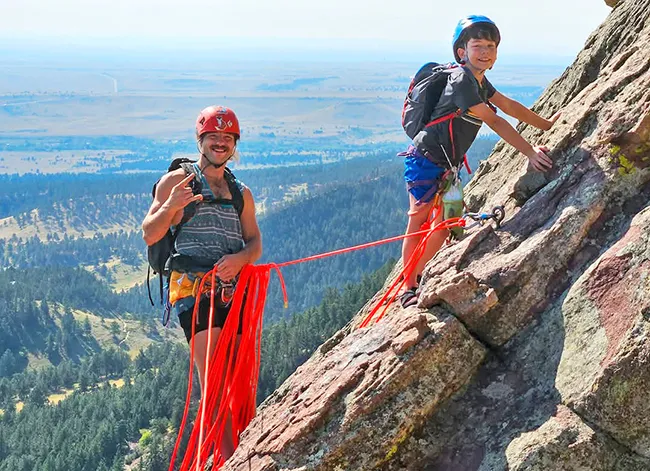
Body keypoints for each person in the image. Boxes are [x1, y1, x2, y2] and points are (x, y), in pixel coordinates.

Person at [399, 15, 561, 308]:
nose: (486, 51)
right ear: (462, 52)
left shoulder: (479, 81)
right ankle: (409, 286)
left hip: (446, 164)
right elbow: (495, 120)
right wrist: (530, 153)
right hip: (425, 160)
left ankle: (419, 272)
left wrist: (546, 125)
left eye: (491, 46)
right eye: (478, 45)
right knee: (419, 220)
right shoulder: (462, 81)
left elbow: (508, 105)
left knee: (446, 222)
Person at [141, 105, 262, 458]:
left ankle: (234, 447)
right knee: (216, 375)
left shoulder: (240, 192)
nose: (220, 143)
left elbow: (254, 243)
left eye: (227, 138)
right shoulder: (177, 181)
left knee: (236, 375)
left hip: (232, 287)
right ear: (201, 141)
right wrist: (170, 206)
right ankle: (228, 458)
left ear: (234, 143)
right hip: (193, 287)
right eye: (214, 137)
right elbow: (150, 233)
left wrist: (239, 259)